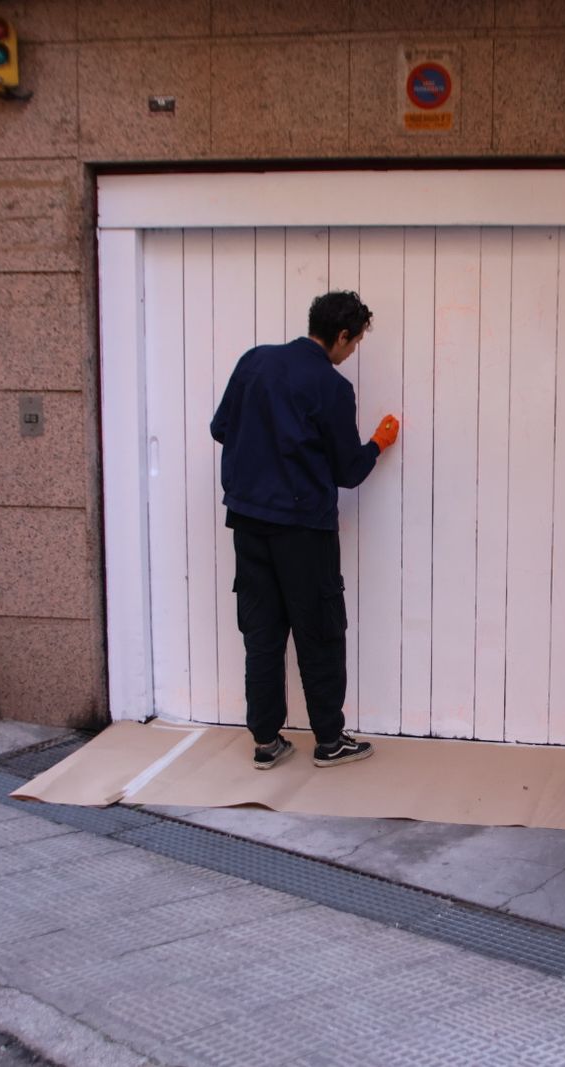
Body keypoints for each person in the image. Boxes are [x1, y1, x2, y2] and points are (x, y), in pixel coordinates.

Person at [209, 291, 399, 769]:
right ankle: (330, 742)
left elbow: (220, 428)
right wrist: (378, 442)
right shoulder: (330, 387)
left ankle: (266, 742)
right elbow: (347, 471)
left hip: (248, 524)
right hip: (304, 533)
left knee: (263, 633)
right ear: (341, 336)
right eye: (353, 343)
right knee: (319, 632)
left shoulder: (254, 362)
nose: (351, 352)